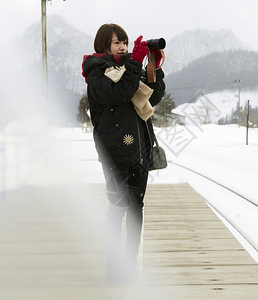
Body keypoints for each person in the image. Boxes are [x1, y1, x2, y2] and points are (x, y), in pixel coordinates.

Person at [82, 24, 165, 283]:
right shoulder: (97, 72)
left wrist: (154, 67)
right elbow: (119, 93)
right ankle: (113, 267)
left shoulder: (130, 68)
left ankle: (130, 265)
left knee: (136, 207)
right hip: (114, 151)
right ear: (103, 45)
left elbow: (154, 96)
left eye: (125, 43)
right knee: (118, 207)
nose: (123, 47)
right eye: (117, 42)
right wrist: (136, 64)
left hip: (139, 148)